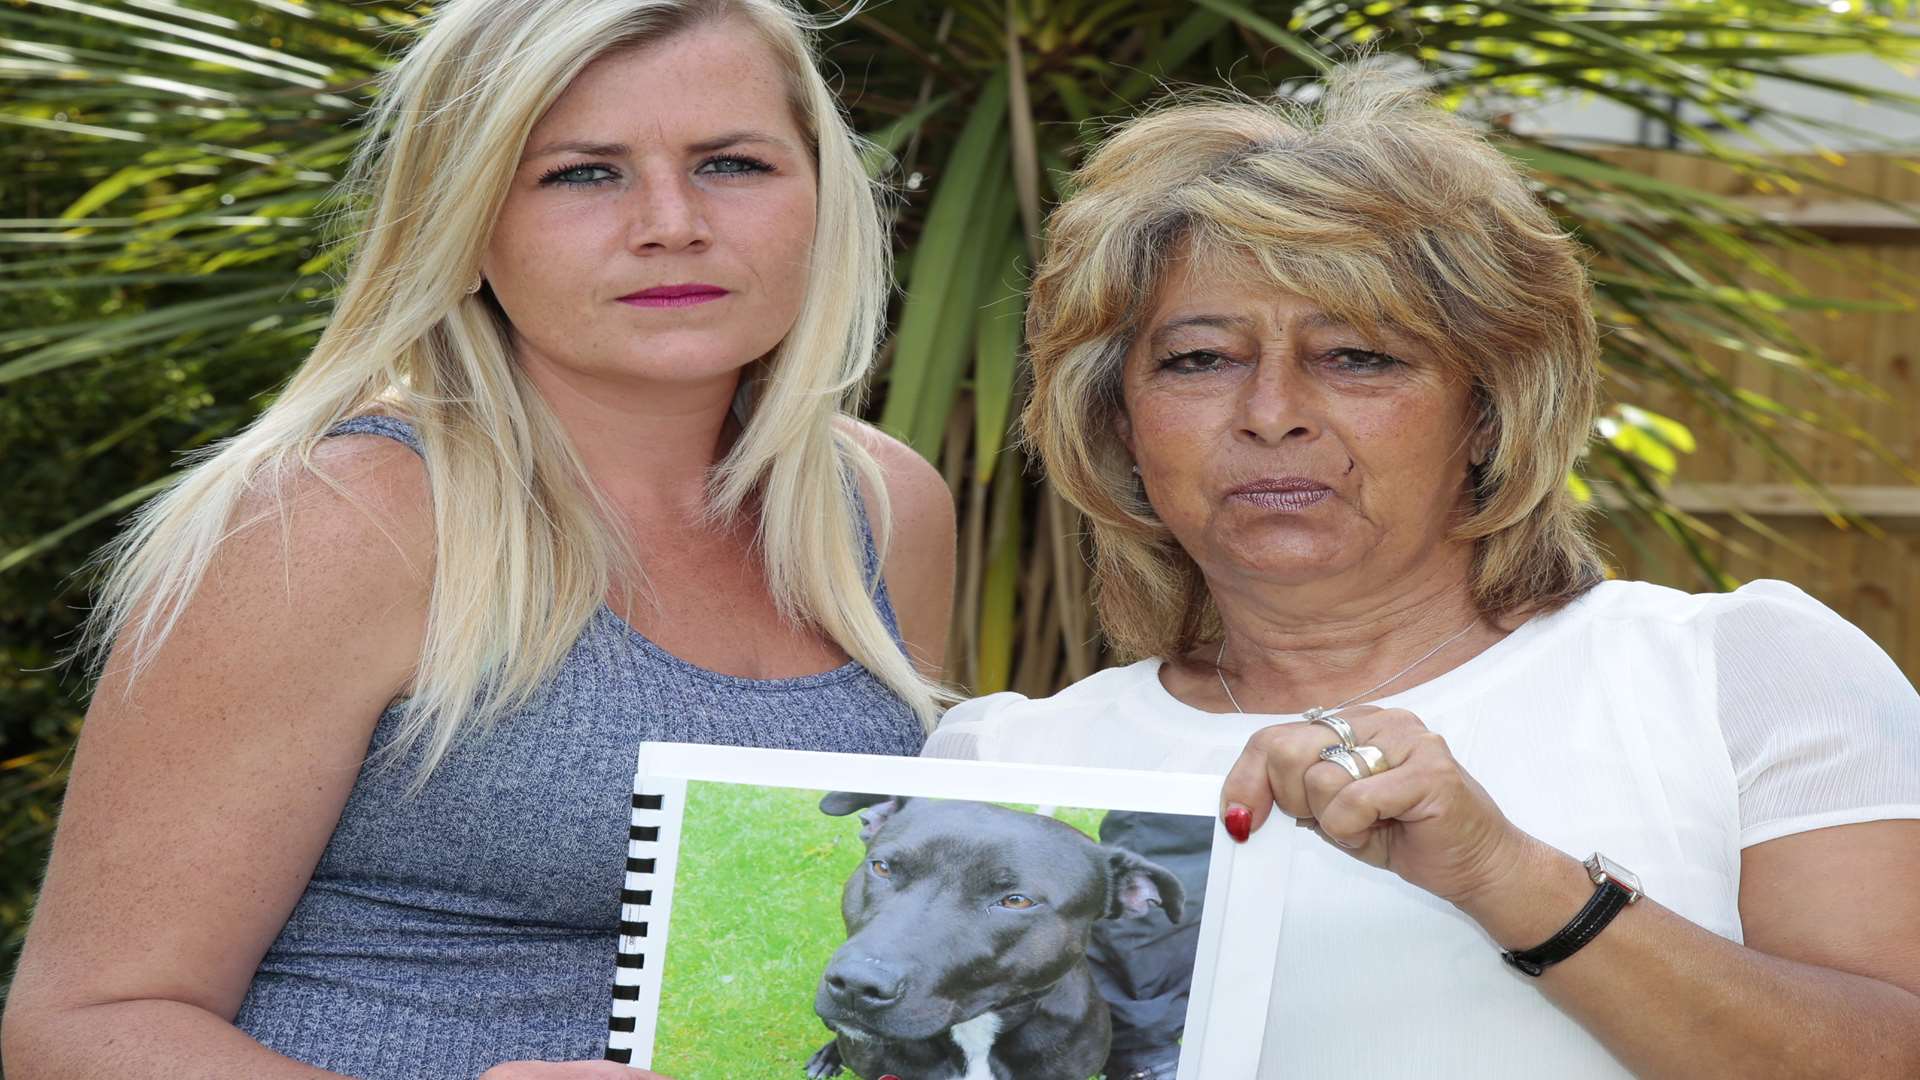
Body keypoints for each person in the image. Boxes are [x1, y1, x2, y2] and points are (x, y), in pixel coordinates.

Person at [1, 1, 955, 1077]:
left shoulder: (879, 511)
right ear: (463, 215)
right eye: (582, 173)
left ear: (822, 194)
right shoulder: (343, 519)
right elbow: (80, 1027)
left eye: (732, 163)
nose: (672, 223)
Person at [926, 70, 1920, 1079]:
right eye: (1200, 359)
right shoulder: (1004, 770)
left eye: (1357, 356)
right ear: (1119, 423)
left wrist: (1511, 878)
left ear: (1488, 409)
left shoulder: (1736, 677)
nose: (1273, 412)